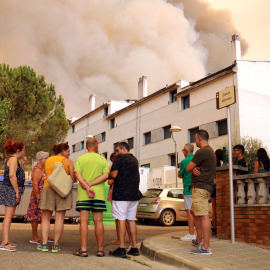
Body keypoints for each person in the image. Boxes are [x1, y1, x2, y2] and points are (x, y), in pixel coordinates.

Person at [73, 137, 109, 257]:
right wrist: (92, 184)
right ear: (97, 146)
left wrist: (86, 186)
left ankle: (83, 250)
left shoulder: (81, 159)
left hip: (84, 195)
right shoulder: (102, 159)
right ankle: (100, 250)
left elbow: (77, 175)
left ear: (86, 146)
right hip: (98, 194)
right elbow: (106, 176)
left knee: (84, 221)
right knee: (98, 221)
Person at [37, 143, 75, 252]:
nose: (69, 153)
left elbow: (46, 173)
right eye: (68, 151)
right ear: (63, 151)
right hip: (62, 190)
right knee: (59, 218)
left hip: (48, 188)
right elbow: (72, 178)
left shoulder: (48, 160)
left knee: (45, 218)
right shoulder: (68, 161)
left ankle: (44, 244)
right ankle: (55, 245)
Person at [108, 142, 142, 258]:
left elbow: (114, 174)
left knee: (121, 219)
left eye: (117, 150)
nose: (116, 153)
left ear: (123, 149)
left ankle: (121, 248)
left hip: (121, 194)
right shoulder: (134, 159)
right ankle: (134, 248)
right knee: (131, 220)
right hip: (134, 194)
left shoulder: (120, 157)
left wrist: (108, 174)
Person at [186, 130, 216, 255]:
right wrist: (194, 169)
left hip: (200, 187)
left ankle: (205, 247)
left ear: (199, 138)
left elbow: (188, 168)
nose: (194, 141)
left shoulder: (202, 151)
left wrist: (192, 168)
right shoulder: (210, 151)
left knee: (203, 216)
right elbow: (196, 168)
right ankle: (199, 239)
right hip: (204, 187)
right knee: (195, 213)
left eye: (195, 138)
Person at [0, 140, 27, 252]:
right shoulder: (14, 159)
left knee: (9, 216)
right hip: (10, 189)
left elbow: (16, 174)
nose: (24, 153)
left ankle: (6, 241)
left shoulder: (12, 159)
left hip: (10, 189)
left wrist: (23, 164)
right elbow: (12, 176)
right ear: (18, 150)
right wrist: (16, 192)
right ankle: (4, 243)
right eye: (23, 151)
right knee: (8, 216)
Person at [27, 151, 54, 244]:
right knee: (35, 215)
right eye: (47, 158)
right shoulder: (37, 170)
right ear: (41, 159)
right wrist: (38, 197)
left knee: (44, 216)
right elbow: (35, 184)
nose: (48, 159)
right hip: (37, 196)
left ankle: (44, 234)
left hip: (44, 196)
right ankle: (35, 236)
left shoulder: (44, 169)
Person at [178, 143, 195, 242]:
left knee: (189, 212)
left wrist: (179, 173)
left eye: (183, 150)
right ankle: (198, 234)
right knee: (198, 212)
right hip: (197, 189)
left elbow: (180, 174)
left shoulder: (184, 161)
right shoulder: (197, 159)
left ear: (186, 150)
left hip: (188, 189)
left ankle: (191, 233)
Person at [210, 149, 223, 237]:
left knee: (214, 209)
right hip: (221, 187)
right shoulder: (225, 164)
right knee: (221, 208)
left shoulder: (213, 165)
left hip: (213, 187)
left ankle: (215, 228)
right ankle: (221, 228)